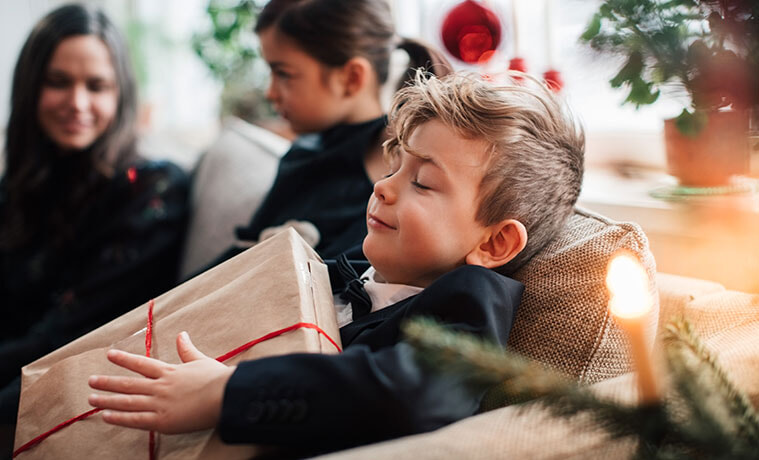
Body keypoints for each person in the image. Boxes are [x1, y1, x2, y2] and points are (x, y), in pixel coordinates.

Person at [88, 71, 585, 456]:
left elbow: (415, 395)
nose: (383, 186)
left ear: (495, 244)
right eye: (395, 166)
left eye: (423, 183)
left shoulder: (471, 299)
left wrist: (229, 392)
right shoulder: (344, 266)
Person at [0, 3, 189, 437]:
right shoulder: (22, 182)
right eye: (58, 82)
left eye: (97, 85)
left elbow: (69, 337)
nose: (77, 103)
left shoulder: (154, 190)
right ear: (30, 88)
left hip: (60, 399)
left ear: (120, 94)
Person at [211, 0, 452, 264]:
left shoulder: (390, 180)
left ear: (351, 78)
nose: (270, 92)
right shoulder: (304, 153)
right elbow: (246, 252)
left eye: (283, 74)